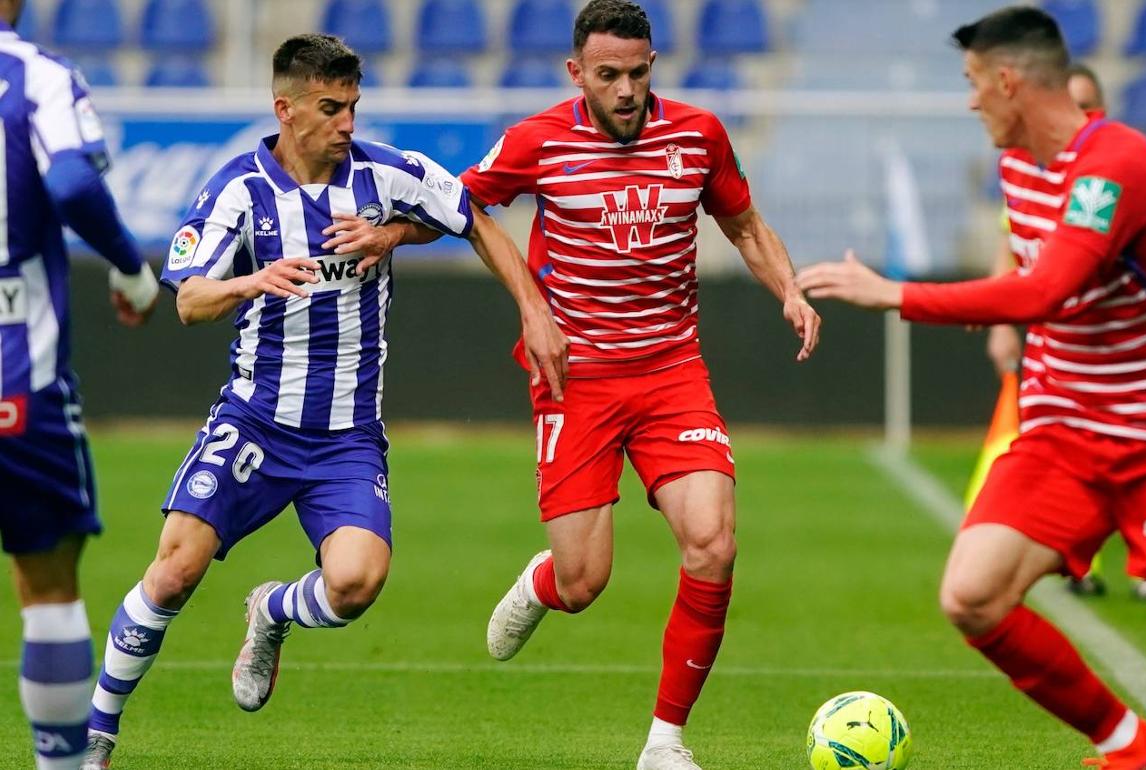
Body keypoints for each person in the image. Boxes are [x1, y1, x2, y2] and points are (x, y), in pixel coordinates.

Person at [80, 33, 566, 769]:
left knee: (356, 583)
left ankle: (271, 609)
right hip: (255, 422)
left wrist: (528, 308)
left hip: (346, 437)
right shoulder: (238, 190)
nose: (347, 123)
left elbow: (475, 219)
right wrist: (251, 280)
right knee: (174, 571)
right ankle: (96, 737)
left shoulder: (385, 173)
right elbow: (188, 301)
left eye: (352, 107)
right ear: (287, 110)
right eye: (331, 108)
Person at [797, 8, 1146, 770]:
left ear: (1008, 81)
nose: (971, 100)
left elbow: (1048, 289)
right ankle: (1132, 746)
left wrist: (897, 294)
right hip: (1061, 431)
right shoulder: (1016, 166)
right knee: (971, 595)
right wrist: (998, 304)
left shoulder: (1118, 162)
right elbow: (1029, 274)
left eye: (975, 82)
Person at [386, 2, 818, 767]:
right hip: (575, 379)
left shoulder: (699, 135)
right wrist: (396, 235)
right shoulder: (539, 140)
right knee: (585, 582)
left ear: (654, 66)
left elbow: (745, 225)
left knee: (713, 543)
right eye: (608, 74)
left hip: (671, 372)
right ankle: (543, 583)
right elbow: (462, 207)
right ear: (576, 72)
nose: (625, 90)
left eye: (638, 73)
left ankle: (664, 742)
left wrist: (790, 289)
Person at [0, 1, 160, 767]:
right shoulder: (36, 77)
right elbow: (70, 183)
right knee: (48, 581)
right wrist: (130, 267)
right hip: (16, 375)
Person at [980, 61, 1146, 600]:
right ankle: (1079, 562)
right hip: (1063, 348)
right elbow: (1013, 248)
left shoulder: (1118, 172)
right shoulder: (1027, 174)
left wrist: (910, 299)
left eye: (1084, 105)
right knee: (1065, 456)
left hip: (1123, 352)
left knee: (1140, 454)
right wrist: (1001, 322)